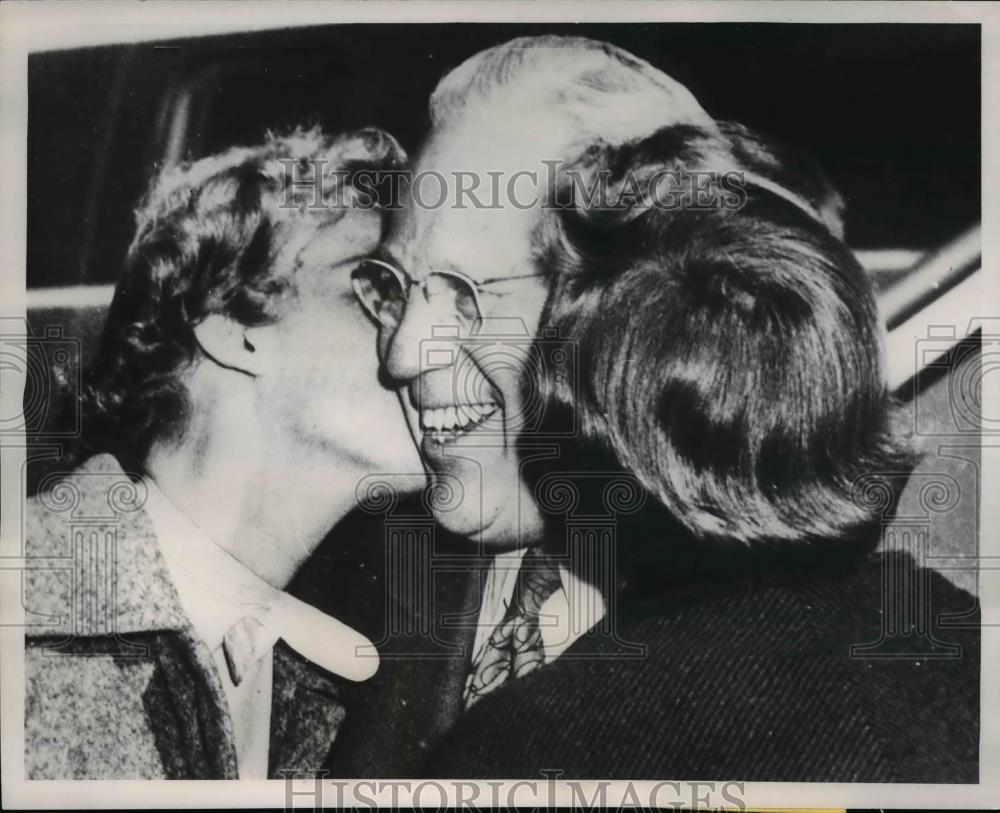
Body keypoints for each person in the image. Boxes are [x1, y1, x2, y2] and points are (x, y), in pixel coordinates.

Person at [339, 37, 979, 780]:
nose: (402, 355)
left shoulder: (901, 643)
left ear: (621, 297)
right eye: (393, 284)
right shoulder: (347, 566)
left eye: (465, 297)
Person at [23, 127, 423, 779]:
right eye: (379, 287)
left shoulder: (309, 676)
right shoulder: (28, 613)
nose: (427, 337)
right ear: (237, 330)